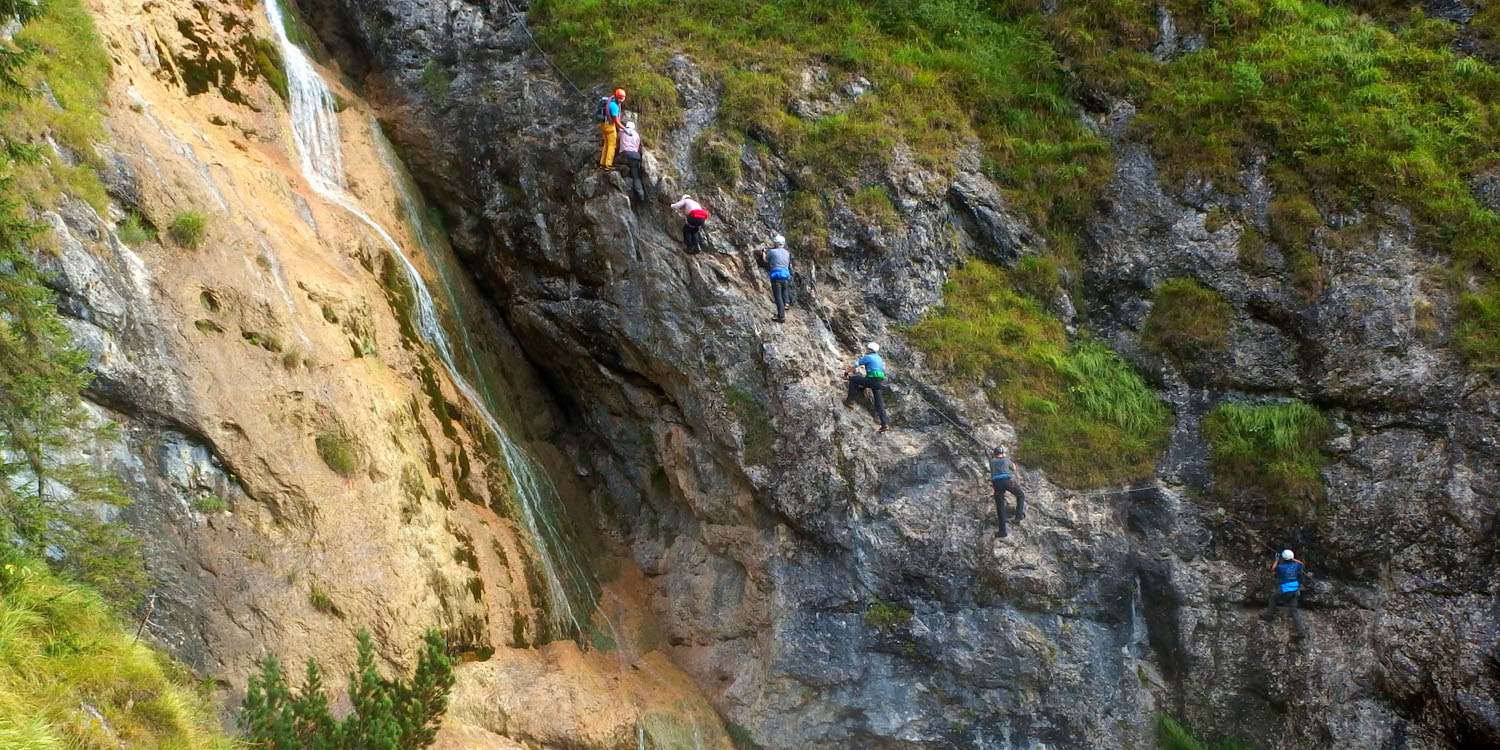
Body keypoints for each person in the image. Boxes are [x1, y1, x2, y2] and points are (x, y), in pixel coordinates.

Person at [1261, 549, 1308, 638]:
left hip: (1285, 590)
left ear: (1284, 558)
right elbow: (1302, 563)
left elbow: (1273, 568)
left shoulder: (1281, 567)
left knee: (1273, 599)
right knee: (1294, 610)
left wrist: (1277, 560)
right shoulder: (1296, 565)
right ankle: (1301, 631)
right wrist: (1292, 558)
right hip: (1295, 590)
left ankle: (1269, 615)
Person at [844, 342, 889, 432]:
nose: (866, 350)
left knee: (853, 379)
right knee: (879, 404)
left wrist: (846, 372)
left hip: (871, 381)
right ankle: (885, 424)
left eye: (867, 348)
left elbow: (855, 365)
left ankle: (850, 401)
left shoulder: (868, 357)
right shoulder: (879, 358)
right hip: (879, 383)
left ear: (870, 350)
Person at [989, 446, 1025, 538]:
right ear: (1002, 453)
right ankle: (1018, 515)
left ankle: (1002, 532)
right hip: (1006, 481)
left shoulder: (992, 461)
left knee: (1000, 507)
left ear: (995, 454)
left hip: (997, 484)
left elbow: (993, 468)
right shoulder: (1006, 459)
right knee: (1020, 495)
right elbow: (1014, 468)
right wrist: (1009, 460)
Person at [758, 234, 792, 322]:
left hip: (776, 276)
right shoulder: (787, 253)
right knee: (785, 289)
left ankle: (781, 317)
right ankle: (786, 303)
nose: (773, 244)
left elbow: (765, 260)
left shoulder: (772, 252)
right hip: (785, 275)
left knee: (778, 297)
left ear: (776, 244)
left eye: (774, 243)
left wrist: (764, 253)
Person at [597, 88, 626, 171]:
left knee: (606, 143)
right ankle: (608, 164)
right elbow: (616, 121)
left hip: (603, 124)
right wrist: (624, 128)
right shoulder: (614, 106)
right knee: (612, 145)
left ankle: (602, 163)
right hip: (609, 126)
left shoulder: (611, 100)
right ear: (621, 98)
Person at [617, 121, 645, 199]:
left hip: (625, 155)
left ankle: (624, 169)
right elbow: (637, 147)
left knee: (615, 163)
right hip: (635, 156)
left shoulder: (622, 131)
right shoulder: (637, 135)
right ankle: (641, 193)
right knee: (636, 176)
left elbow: (617, 140)